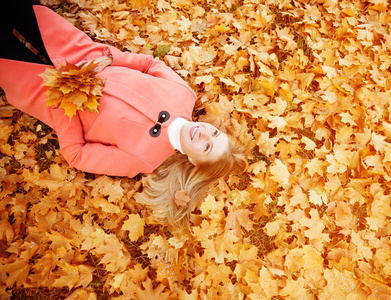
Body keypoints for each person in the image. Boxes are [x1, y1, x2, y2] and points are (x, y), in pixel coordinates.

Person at [0, 1, 247, 233]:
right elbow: (150, 65)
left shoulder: (143, 160)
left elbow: (77, 154)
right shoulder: (185, 95)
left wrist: (65, 104)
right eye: (215, 133)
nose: (204, 133)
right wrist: (107, 59)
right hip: (74, 48)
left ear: (193, 162)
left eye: (206, 146)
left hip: (39, 89)